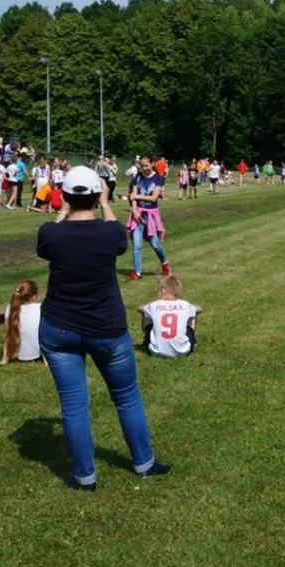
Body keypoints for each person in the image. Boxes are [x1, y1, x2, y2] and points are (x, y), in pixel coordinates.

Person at [37, 166, 170, 491]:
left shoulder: (51, 233)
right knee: (126, 397)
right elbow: (118, 236)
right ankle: (143, 462)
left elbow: (46, 243)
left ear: (65, 197)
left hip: (59, 328)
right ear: (98, 196)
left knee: (73, 404)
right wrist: (107, 203)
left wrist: (65, 210)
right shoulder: (110, 233)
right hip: (106, 327)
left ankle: (84, 476)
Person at [128, 156, 171, 281]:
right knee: (137, 245)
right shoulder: (138, 177)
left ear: (152, 164)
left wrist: (137, 195)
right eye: (142, 166)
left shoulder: (158, 178)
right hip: (138, 213)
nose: (144, 168)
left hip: (151, 214)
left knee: (155, 244)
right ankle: (137, 272)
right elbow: (133, 197)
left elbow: (153, 198)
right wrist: (134, 210)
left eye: (146, 165)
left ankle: (165, 264)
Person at [140, 275, 201, 358]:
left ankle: (148, 340)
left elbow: (140, 308)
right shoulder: (185, 305)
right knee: (192, 314)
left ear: (163, 290)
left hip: (155, 352)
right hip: (183, 351)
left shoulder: (154, 306)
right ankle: (191, 340)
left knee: (145, 313)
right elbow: (199, 309)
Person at [0, 280, 42, 365]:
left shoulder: (10, 309)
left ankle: (6, 358)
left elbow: (8, 335)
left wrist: (4, 359)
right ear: (34, 296)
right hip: (37, 353)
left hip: (17, 355)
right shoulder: (40, 308)